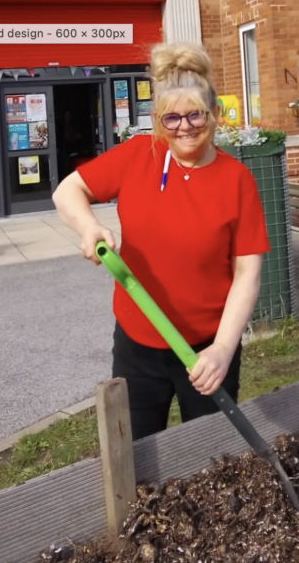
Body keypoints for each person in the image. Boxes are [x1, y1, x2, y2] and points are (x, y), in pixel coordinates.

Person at [52, 42, 269, 440]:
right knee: (135, 451)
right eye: (171, 118)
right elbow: (68, 191)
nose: (184, 126)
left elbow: (247, 273)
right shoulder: (139, 156)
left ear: (214, 114)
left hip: (206, 350)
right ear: (156, 120)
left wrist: (222, 350)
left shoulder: (236, 179)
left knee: (209, 459)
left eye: (195, 114)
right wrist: (89, 227)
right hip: (138, 344)